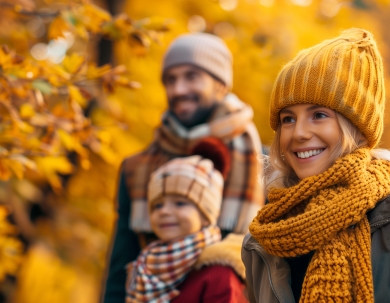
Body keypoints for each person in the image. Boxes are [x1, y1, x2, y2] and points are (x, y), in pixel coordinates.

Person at [102, 33, 264, 302]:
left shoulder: (264, 166)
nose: (178, 90)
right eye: (170, 80)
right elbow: (121, 269)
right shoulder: (137, 168)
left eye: (191, 76)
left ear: (221, 84)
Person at [242, 28, 390, 303]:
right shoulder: (264, 238)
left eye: (318, 115)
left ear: (356, 128)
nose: (298, 133)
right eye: (287, 119)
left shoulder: (385, 220)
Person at [125, 138, 248, 303]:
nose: (165, 211)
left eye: (180, 203)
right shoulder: (147, 267)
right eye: (158, 205)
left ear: (206, 216)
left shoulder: (219, 274)